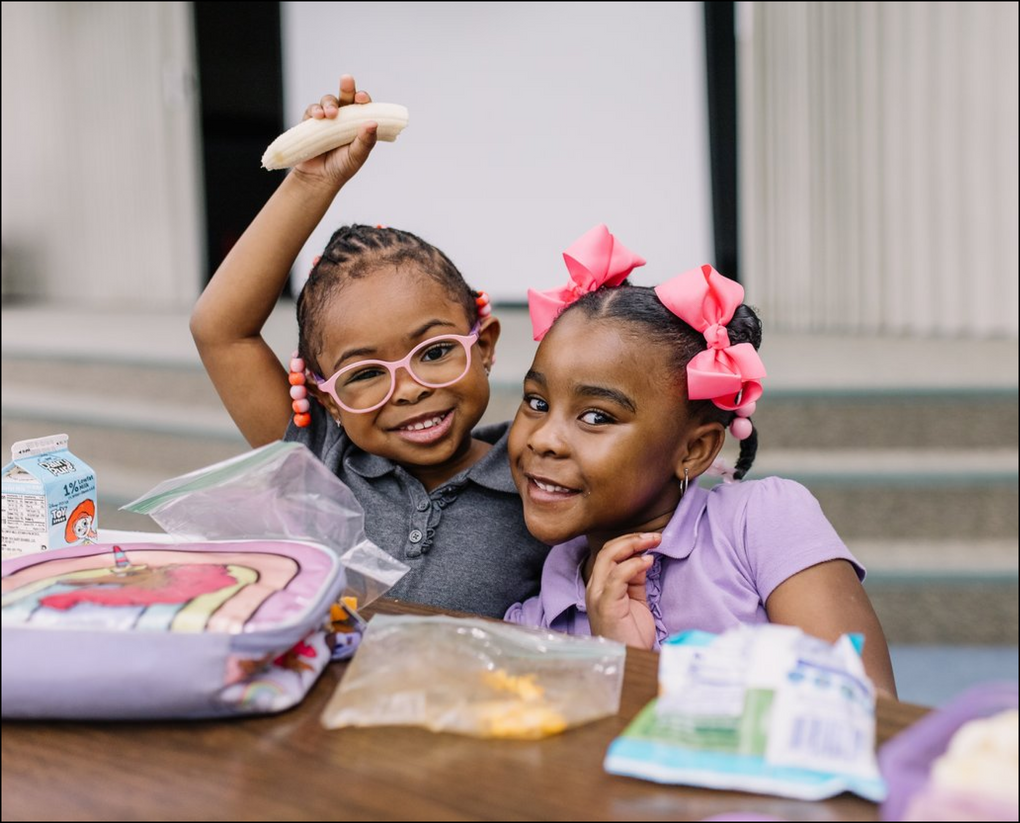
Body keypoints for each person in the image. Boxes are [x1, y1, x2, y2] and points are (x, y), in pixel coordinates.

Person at [190, 76, 548, 617]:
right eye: (364, 374)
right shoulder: (316, 464)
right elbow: (219, 328)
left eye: (434, 352)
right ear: (327, 397)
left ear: (485, 345)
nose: (407, 390)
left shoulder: (541, 474)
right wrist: (309, 184)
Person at [504, 225, 896, 695]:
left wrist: (646, 673)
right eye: (537, 402)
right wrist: (623, 662)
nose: (544, 440)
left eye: (595, 415)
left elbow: (866, 710)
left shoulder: (763, 525)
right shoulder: (536, 621)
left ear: (694, 450)